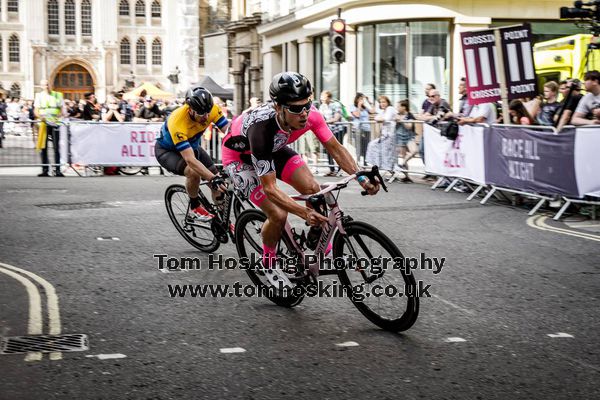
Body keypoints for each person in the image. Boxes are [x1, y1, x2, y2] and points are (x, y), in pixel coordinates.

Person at [221, 71, 379, 282]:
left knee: (313, 190)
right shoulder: (261, 129)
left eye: (307, 104)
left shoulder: (311, 114)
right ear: (278, 107)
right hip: (240, 158)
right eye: (296, 108)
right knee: (278, 214)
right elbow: (270, 188)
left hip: (275, 149)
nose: (304, 113)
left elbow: (336, 148)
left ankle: (318, 243)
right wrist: (303, 213)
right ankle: (268, 262)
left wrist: (361, 177)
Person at [155, 86, 229, 221]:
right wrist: (212, 179)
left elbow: (230, 133)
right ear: (190, 110)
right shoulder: (177, 121)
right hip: (168, 151)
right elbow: (190, 160)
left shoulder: (211, 109)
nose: (206, 117)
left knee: (220, 186)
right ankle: (194, 207)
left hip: (192, 146)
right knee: (193, 172)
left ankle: (223, 221)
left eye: (208, 112)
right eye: (201, 114)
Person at [34, 79, 65, 177]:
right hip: (43, 124)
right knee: (44, 148)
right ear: (41, 86)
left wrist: (57, 117)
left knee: (56, 148)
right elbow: (36, 110)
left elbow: (61, 110)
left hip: (55, 124)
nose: (46, 86)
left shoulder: (58, 95)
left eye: (47, 84)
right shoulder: (39, 96)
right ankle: (45, 170)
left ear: (50, 84)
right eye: (44, 85)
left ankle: (57, 170)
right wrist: (40, 117)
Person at [319, 90, 345, 176]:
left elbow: (336, 118)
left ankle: (340, 169)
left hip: (338, 130)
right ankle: (332, 169)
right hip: (328, 130)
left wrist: (325, 122)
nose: (322, 100)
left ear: (329, 98)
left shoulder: (336, 105)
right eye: (321, 98)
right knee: (328, 150)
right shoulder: (322, 106)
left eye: (324, 98)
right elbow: (320, 117)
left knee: (338, 149)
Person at [349, 92, 374, 166]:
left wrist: (370, 102)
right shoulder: (353, 106)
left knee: (366, 145)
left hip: (367, 129)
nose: (362, 100)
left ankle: (365, 162)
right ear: (357, 99)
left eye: (363, 99)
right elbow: (357, 115)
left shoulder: (365, 107)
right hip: (358, 129)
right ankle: (358, 161)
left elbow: (373, 111)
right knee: (359, 146)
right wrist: (359, 106)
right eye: (360, 99)